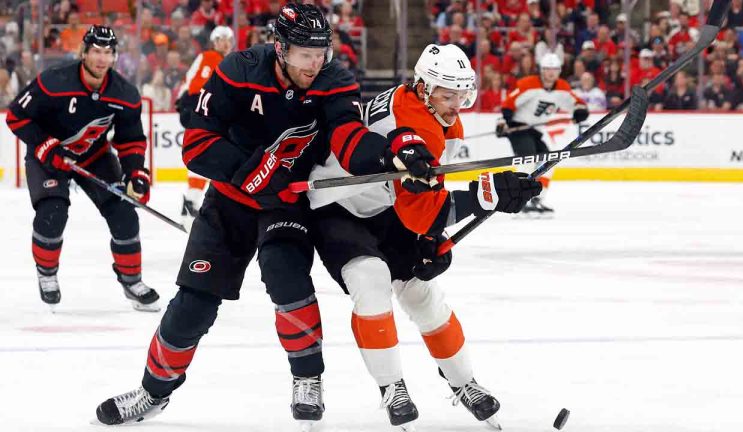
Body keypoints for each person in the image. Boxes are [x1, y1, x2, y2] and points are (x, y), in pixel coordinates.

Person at [93, 4, 436, 428]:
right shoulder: (240, 69)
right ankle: (152, 392)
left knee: (285, 274)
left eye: (321, 52)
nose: (315, 63)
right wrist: (249, 170)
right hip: (230, 201)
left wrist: (390, 154)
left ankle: (308, 378)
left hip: (285, 202)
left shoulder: (334, 79)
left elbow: (348, 136)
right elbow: (197, 144)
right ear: (280, 48)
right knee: (193, 303)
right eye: (304, 53)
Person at [307, 43, 542, 430]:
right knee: (371, 283)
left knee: (422, 294)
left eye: (463, 95)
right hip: (338, 208)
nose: (455, 103)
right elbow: (422, 214)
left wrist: (436, 238)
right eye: (447, 95)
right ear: (421, 87)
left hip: (387, 209)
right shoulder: (419, 125)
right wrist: (487, 198)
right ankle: (392, 386)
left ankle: (463, 382)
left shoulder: (439, 118)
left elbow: (423, 205)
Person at [4, 25, 159, 312]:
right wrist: (45, 146)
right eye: (96, 52)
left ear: (114, 57)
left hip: (94, 157)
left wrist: (136, 172)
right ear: (84, 52)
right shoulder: (54, 81)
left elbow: (131, 140)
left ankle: (131, 279)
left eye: (108, 53)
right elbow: (16, 116)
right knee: (53, 213)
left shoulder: (125, 93)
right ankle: (47, 273)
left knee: (124, 213)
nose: (102, 59)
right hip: (48, 156)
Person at [497, 53, 588, 217]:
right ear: (541, 70)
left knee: (548, 161)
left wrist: (580, 111)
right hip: (518, 127)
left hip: (535, 131)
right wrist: (504, 121)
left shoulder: (562, 87)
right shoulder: (528, 83)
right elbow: (508, 103)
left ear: (559, 71)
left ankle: (536, 199)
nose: (550, 73)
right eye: (547, 69)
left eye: (554, 69)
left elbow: (577, 103)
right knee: (527, 160)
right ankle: (519, 199)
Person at [175, 25, 234, 230]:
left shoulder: (228, 61)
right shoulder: (209, 57)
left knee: (205, 160)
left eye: (228, 39)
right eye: (221, 39)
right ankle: (191, 204)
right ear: (214, 42)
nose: (225, 43)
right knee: (204, 159)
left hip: (209, 116)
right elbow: (194, 86)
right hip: (202, 115)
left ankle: (191, 204)